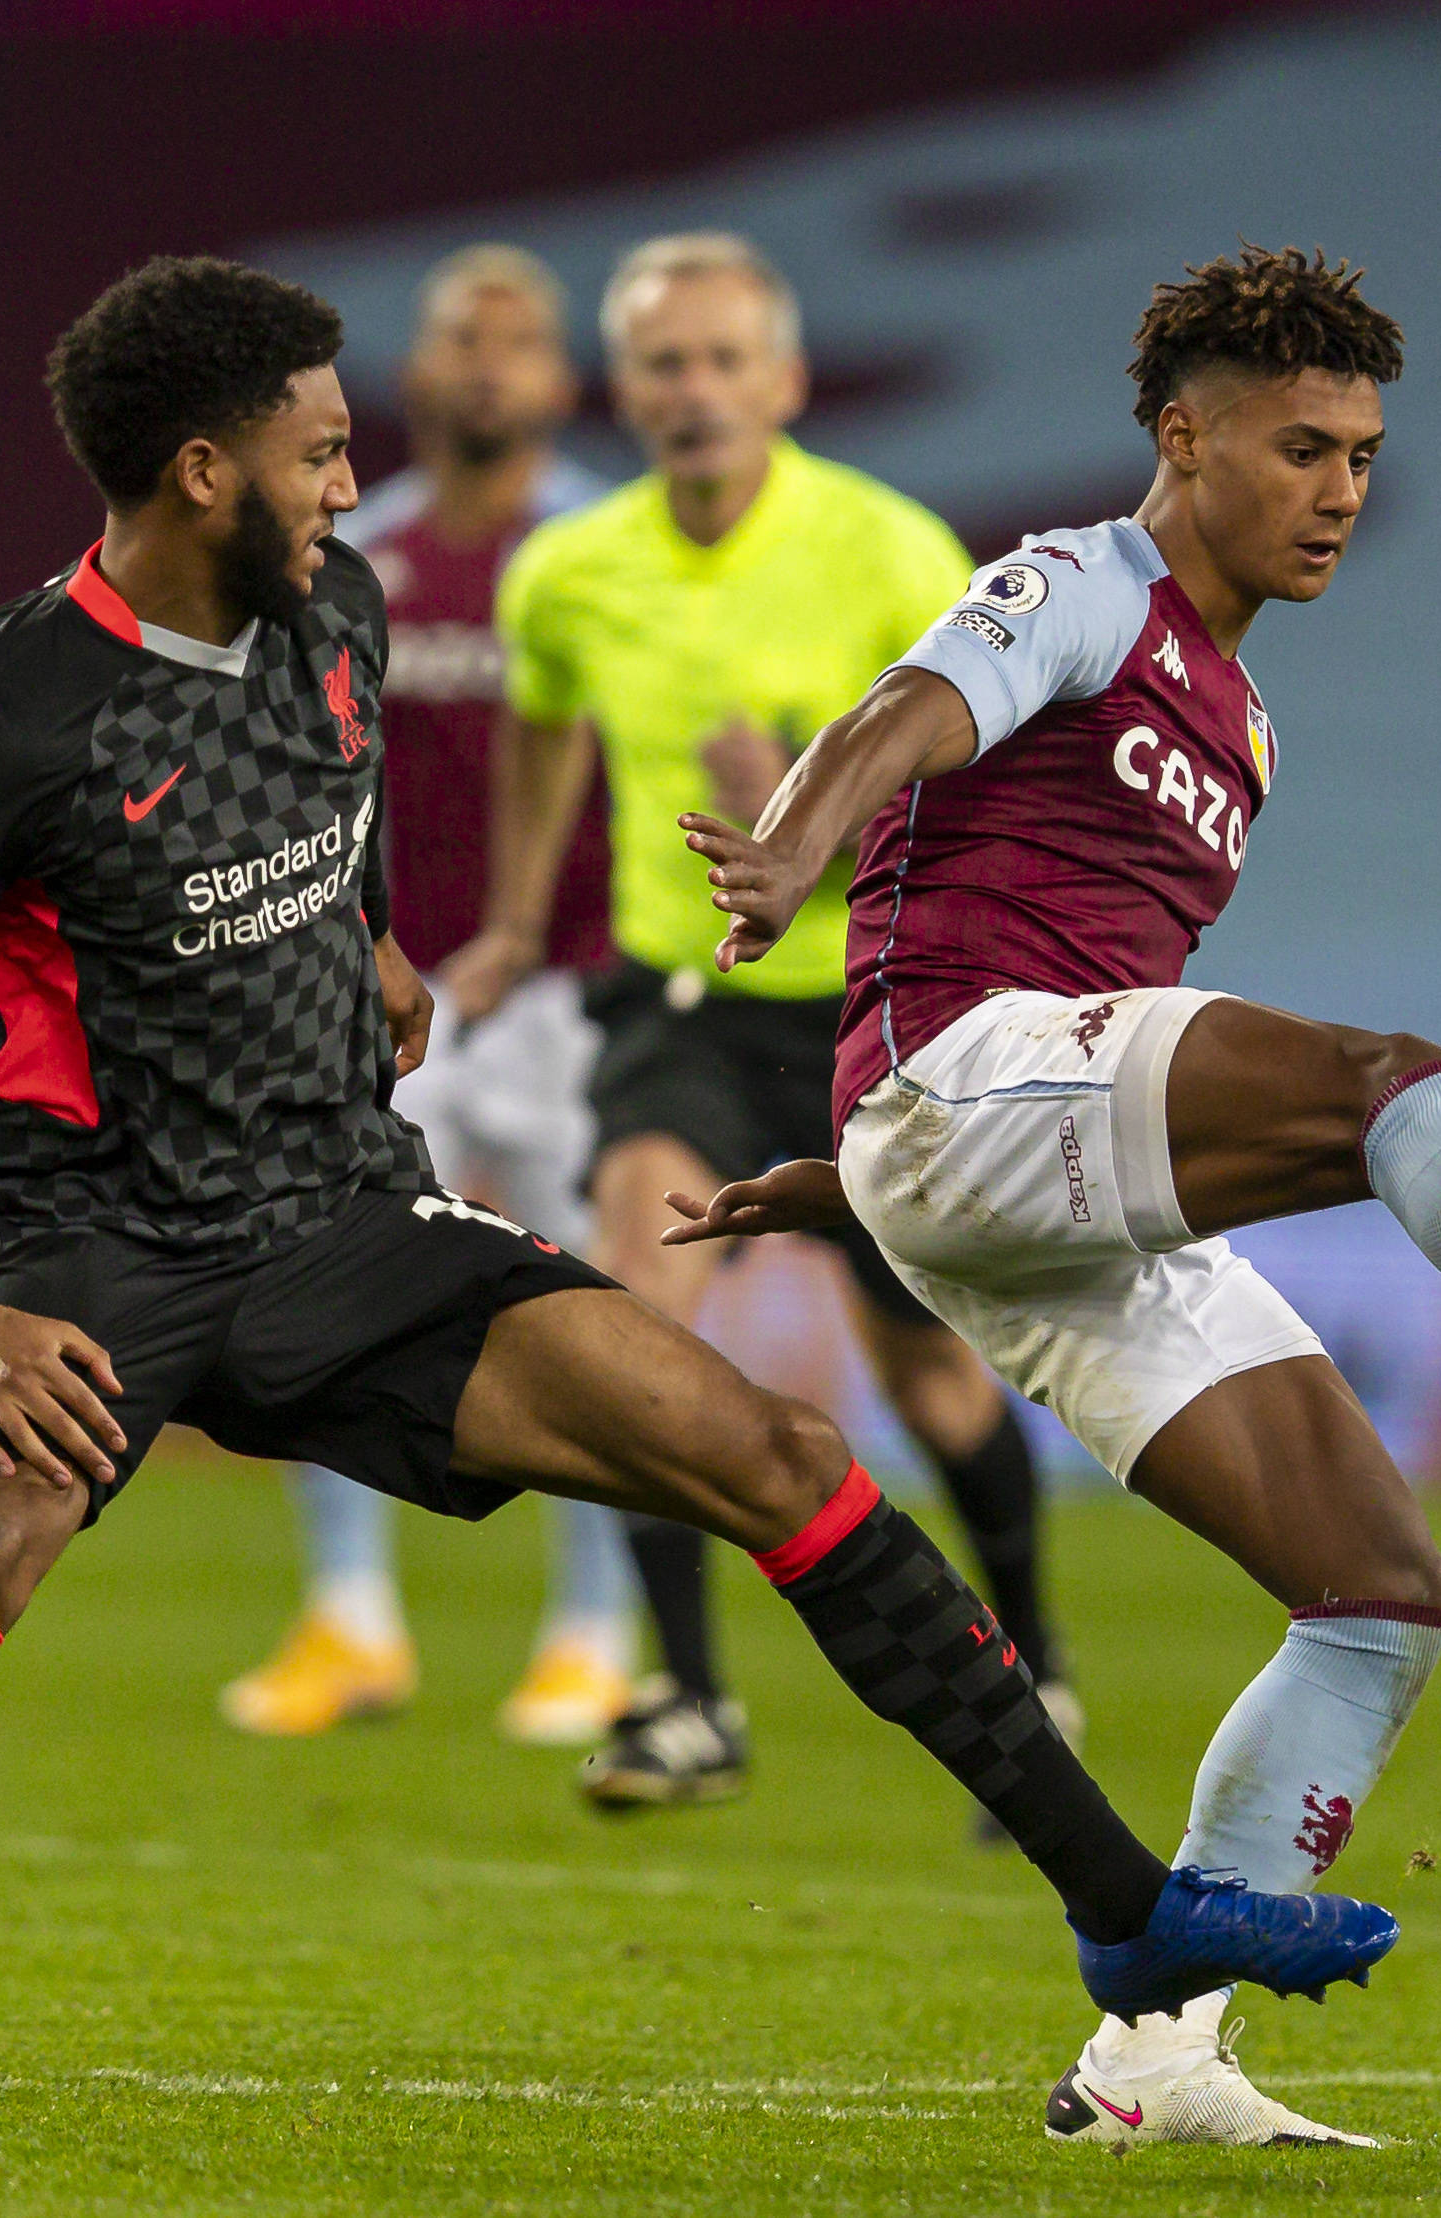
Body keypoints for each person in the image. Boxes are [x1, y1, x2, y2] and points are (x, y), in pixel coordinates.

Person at [0, 255, 1396, 2128]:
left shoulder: (336, 615)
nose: (350, 485)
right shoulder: (3, 710)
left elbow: (330, 804)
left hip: (347, 1217)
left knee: (775, 1452)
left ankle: (1122, 1914)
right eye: (319, 452)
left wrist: (369, 944)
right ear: (203, 471)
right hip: (95, 1248)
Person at [659, 244, 1441, 2148]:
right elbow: (903, 713)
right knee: (1374, 1083)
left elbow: (1093, 1030)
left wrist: (859, 1187)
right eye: (1299, 448)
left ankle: (1153, 2054)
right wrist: (787, 852)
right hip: (962, 1081)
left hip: (1004, 1168)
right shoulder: (1077, 582)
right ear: (1183, 438)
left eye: (1359, 456)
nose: (1338, 491)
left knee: (1376, 1590)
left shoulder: (1240, 729)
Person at [490, 232, 1078, 1811]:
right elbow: (540, 732)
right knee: (626, 1323)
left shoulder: (890, 552)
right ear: (624, 389)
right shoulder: (566, 571)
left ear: (784, 379)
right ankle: (687, 1695)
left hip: (862, 1006)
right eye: (663, 364)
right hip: (672, 1005)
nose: (692, 390)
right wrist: (511, 921)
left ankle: (1036, 1668)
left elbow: (986, 780)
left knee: (930, 1376)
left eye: (720, 360)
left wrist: (814, 804)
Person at [217, 242, 642, 1746]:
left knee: (594, 1313)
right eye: (462, 333)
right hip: (384, 988)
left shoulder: (605, 549)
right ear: (412, 372)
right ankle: (350, 1617)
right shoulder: (358, 552)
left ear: (561, 381)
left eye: (517, 337)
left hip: (578, 993)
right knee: (307, 1282)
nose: (486, 360)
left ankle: (596, 1630)